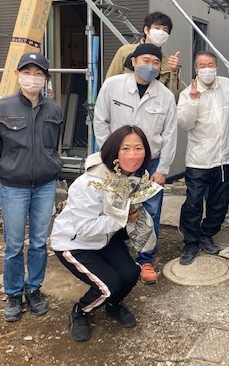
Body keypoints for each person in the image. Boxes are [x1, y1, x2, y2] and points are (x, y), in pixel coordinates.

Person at [51, 125, 161, 342]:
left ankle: (113, 305)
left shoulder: (134, 177)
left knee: (130, 274)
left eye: (138, 148)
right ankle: (80, 312)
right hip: (74, 243)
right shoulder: (90, 183)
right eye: (125, 148)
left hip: (105, 239)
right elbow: (83, 228)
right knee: (109, 285)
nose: (132, 155)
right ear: (113, 151)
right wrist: (121, 218)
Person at [0, 52, 63, 322]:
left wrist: (51, 167)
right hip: (14, 188)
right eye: (27, 72)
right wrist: (6, 176)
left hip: (44, 185)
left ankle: (34, 289)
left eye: (38, 73)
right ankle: (13, 294)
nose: (33, 78)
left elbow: (54, 146)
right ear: (18, 75)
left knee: (40, 242)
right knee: (14, 244)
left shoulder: (54, 109)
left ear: (45, 78)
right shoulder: (1, 108)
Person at [94, 43, 177, 284]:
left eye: (155, 62)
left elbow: (170, 134)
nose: (150, 66)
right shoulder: (113, 86)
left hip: (150, 163)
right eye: (146, 60)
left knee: (149, 211)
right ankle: (113, 254)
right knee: (114, 207)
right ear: (133, 62)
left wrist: (163, 170)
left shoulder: (165, 95)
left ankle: (145, 259)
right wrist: (107, 155)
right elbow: (100, 121)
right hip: (117, 161)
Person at [176, 51, 229, 265]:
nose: (207, 69)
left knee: (219, 203)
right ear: (196, 69)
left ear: (217, 66)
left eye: (210, 64)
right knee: (193, 203)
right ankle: (190, 242)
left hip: (226, 157)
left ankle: (206, 234)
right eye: (202, 65)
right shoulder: (187, 93)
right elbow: (184, 124)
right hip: (198, 159)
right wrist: (193, 101)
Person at [105, 11, 181, 101]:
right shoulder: (125, 51)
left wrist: (174, 72)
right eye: (157, 28)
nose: (161, 33)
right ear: (146, 30)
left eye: (165, 30)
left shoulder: (168, 62)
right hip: (124, 104)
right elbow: (110, 80)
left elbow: (173, 98)